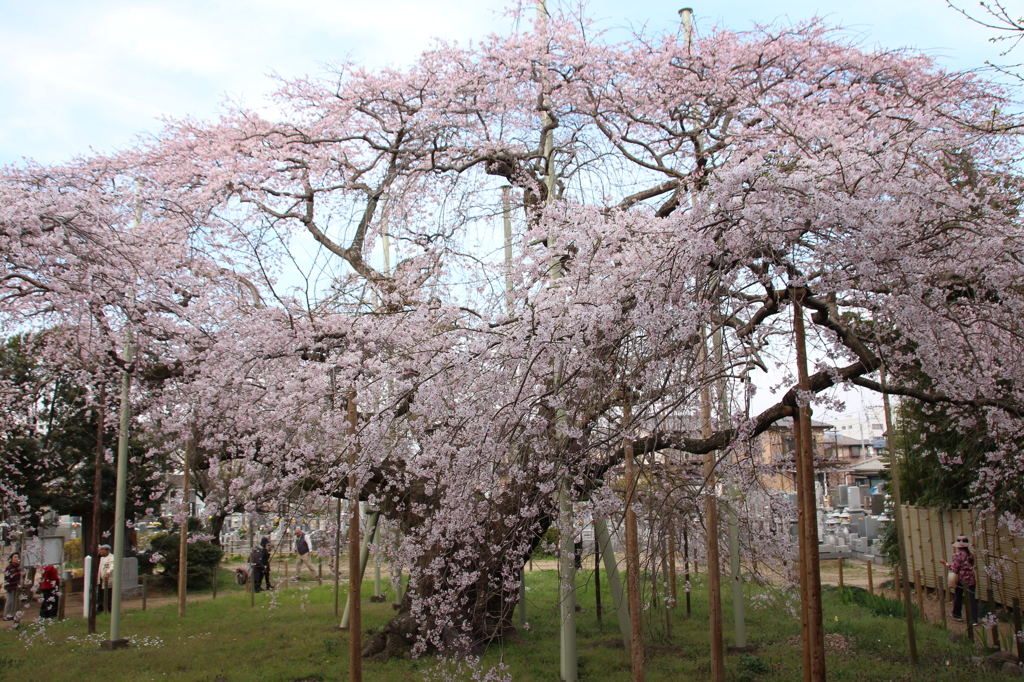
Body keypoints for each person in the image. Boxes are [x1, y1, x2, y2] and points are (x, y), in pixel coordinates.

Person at [942, 535, 979, 624]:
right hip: (971, 578)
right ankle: (974, 620)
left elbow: (955, 569)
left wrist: (946, 564)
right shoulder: (970, 555)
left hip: (961, 578)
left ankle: (957, 614)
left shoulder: (957, 555)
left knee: (958, 596)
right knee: (972, 599)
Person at [3, 553, 23, 621]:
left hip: (17, 587)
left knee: (15, 601)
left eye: (17, 557)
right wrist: (8, 588)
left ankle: (12, 614)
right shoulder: (9, 568)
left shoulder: (19, 567)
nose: (16, 559)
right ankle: (6, 615)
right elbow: (7, 578)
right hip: (10, 587)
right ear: (11, 559)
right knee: (9, 601)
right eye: (15, 557)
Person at [97, 544, 113, 613]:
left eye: (101, 550)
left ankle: (108, 609)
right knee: (100, 595)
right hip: (101, 580)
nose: (100, 552)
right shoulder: (101, 558)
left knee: (108, 595)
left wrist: (109, 571)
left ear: (106, 551)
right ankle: (100, 609)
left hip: (108, 580)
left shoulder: (111, 557)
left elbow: (112, 565)